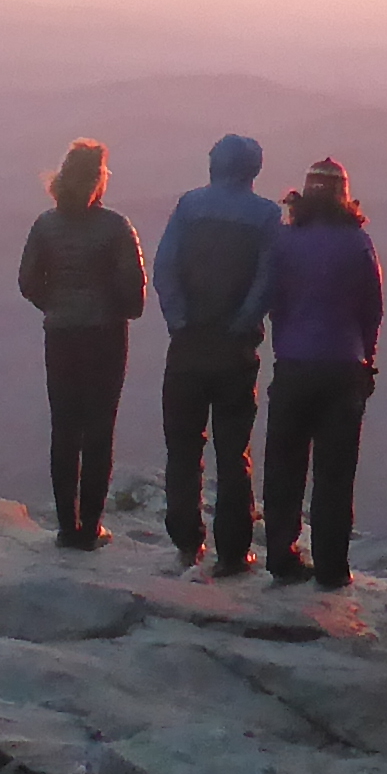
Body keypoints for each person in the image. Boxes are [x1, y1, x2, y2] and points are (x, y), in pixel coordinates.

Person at [143, 132, 283, 575]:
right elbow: (267, 281)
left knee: (182, 444)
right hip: (235, 352)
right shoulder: (266, 216)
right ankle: (233, 551)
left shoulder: (188, 207)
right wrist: (241, 325)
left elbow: (164, 268)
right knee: (232, 449)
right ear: (253, 169)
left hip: (187, 346)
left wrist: (181, 320)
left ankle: (186, 541)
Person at [256, 153, 382, 589]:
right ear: (343, 197)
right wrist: (368, 357)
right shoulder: (358, 243)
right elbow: (372, 308)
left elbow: (270, 296)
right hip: (344, 369)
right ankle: (331, 568)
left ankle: (281, 555)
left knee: (284, 466)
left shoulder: (285, 242)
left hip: (293, 365)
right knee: (334, 473)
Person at [14, 139, 146, 548]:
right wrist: (114, 309)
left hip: (61, 334)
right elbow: (135, 294)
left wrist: (55, 305)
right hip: (105, 337)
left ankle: (65, 527)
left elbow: (27, 282)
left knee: (65, 427)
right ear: (98, 179)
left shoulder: (45, 225)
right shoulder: (115, 227)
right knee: (99, 430)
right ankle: (91, 526)